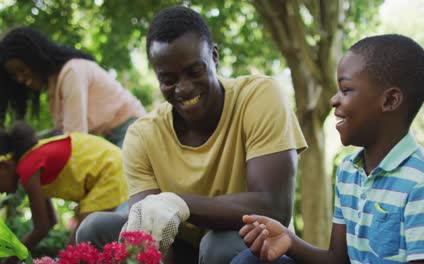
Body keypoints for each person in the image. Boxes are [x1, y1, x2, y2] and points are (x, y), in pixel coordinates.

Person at [76, 5, 307, 264]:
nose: (184, 88)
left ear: (215, 56)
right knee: (93, 229)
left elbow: (274, 206)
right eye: (168, 79)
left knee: (216, 246)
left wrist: (179, 204)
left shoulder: (258, 96)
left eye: (195, 72)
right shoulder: (143, 135)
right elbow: (147, 234)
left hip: (248, 248)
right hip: (183, 251)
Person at [233, 34, 424, 264]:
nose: (333, 100)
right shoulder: (349, 170)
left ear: (390, 101)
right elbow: (338, 259)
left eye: (346, 90)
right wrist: (289, 240)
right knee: (249, 260)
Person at [0, 121, 128, 262]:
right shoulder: (33, 160)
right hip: (113, 166)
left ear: (4, 165)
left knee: (75, 250)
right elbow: (49, 222)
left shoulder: (28, 168)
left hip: (108, 171)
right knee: (79, 249)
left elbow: (41, 228)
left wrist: (8, 261)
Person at [0, 26, 146, 147]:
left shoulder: (72, 72)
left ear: (35, 59)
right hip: (113, 138)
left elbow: (75, 139)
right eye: (14, 75)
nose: (20, 78)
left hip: (134, 131)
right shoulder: (54, 87)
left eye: (22, 70)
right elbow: (60, 133)